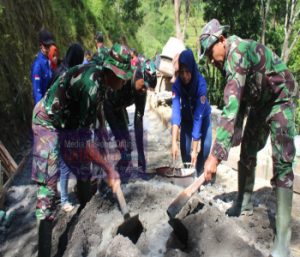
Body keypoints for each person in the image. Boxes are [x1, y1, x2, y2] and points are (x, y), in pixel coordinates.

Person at [200, 19, 299, 257]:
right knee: (247, 149)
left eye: (211, 52)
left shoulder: (238, 53)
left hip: (280, 97)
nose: (211, 60)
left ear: (221, 40)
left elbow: (230, 108)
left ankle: (283, 239)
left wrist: (214, 156)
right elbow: (241, 100)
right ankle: (244, 203)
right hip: (260, 102)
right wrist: (234, 133)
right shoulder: (228, 63)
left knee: (282, 160)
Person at [32, 43, 132, 257]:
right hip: (48, 121)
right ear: (111, 71)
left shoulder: (104, 82)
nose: (125, 82)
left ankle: (87, 214)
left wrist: (103, 136)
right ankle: (44, 252)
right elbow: (84, 142)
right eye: (122, 77)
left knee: (85, 170)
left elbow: (97, 112)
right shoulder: (92, 84)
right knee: (48, 190)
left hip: (69, 124)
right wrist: (108, 168)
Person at [104, 59, 157, 177]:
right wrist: (118, 135)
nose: (144, 91)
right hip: (105, 108)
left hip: (119, 108)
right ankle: (106, 178)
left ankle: (121, 175)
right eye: (143, 86)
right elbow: (107, 107)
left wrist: (141, 155)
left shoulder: (141, 92)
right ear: (137, 77)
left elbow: (138, 120)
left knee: (127, 147)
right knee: (115, 144)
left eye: (147, 89)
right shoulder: (124, 80)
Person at [47, 42, 85, 212]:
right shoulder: (65, 74)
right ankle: (63, 200)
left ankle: (57, 194)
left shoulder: (61, 69)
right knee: (63, 162)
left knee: (60, 160)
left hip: (58, 121)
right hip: (58, 123)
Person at [171, 49, 212, 176]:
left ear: (192, 69)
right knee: (184, 150)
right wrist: (173, 142)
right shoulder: (177, 84)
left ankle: (198, 172)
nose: (184, 76)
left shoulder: (201, 85)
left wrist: (195, 149)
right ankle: (189, 174)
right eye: (181, 72)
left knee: (204, 149)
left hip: (203, 118)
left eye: (187, 71)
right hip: (187, 119)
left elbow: (198, 118)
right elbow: (176, 112)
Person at [31, 29, 55, 105]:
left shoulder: (50, 61)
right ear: (41, 45)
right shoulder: (38, 66)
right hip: (43, 107)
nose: (48, 49)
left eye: (50, 46)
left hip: (51, 104)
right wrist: (41, 110)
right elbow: (37, 92)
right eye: (46, 46)